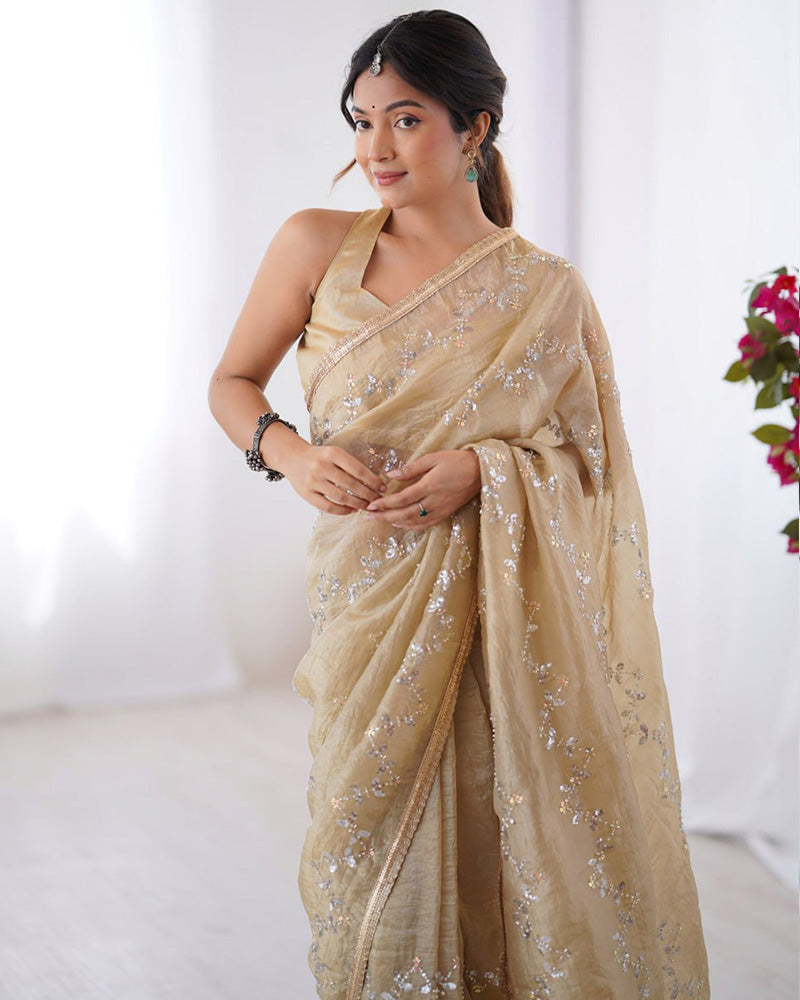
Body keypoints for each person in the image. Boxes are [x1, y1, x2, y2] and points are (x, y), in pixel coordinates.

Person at [208, 10, 710, 999]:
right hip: (367, 610)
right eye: (361, 122)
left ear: (474, 127)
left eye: (405, 120)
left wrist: (486, 471)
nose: (376, 149)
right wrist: (290, 454)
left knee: (502, 845)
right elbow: (232, 382)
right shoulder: (318, 246)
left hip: (503, 630)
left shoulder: (546, 293)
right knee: (365, 858)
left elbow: (593, 470)